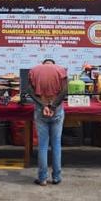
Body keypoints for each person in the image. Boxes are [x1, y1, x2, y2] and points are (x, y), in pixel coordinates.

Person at [26, 57, 68, 186]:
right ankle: (56, 177)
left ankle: (42, 178)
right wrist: (53, 106)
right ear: (53, 63)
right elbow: (65, 91)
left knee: (43, 145)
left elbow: (29, 91)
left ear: (43, 63)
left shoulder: (34, 70)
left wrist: (42, 105)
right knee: (56, 144)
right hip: (56, 108)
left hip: (41, 108)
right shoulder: (60, 70)